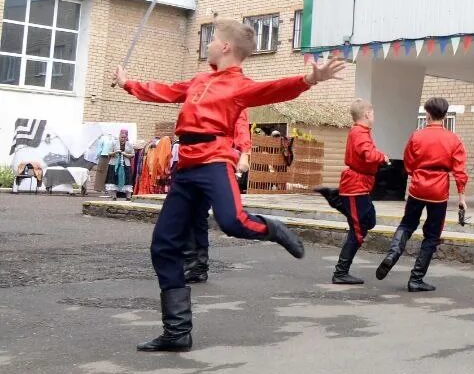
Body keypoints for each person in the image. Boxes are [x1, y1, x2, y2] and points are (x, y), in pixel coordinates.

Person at [114, 18, 345, 352]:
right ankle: (177, 332)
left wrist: (309, 78)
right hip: (187, 167)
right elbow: (164, 91)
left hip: (214, 162)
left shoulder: (238, 85)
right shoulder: (199, 80)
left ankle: (273, 228)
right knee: (163, 245)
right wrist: (127, 84)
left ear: (225, 47)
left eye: (211, 40)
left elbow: (273, 89)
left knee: (233, 222)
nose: (206, 45)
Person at [376, 97, 468, 292]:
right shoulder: (453, 139)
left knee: (407, 224)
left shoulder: (416, 136)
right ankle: (416, 279)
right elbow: (460, 171)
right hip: (439, 191)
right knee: (432, 236)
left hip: (418, 187)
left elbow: (408, 163)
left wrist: (416, 174)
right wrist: (461, 198)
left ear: (427, 114)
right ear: (444, 115)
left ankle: (393, 254)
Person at [315, 99, 388, 284]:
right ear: (367, 114)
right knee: (358, 230)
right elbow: (368, 154)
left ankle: (337, 199)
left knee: (369, 220)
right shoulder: (359, 132)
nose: (374, 116)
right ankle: (340, 273)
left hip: (359, 185)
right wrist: (383, 157)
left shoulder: (361, 132)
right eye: (373, 113)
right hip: (355, 187)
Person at [182, 110, 251, 284]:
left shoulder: (232, 98)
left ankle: (195, 266)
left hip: (216, 163)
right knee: (193, 215)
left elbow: (241, 126)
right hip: (195, 160)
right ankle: (195, 266)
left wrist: (245, 154)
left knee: (195, 214)